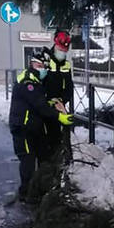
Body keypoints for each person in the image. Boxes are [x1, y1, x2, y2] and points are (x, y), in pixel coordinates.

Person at [8, 52, 74, 203]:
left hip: (33, 128)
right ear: (32, 65)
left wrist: (50, 103)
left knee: (43, 156)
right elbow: (39, 105)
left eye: (44, 66)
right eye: (39, 66)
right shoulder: (28, 83)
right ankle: (26, 193)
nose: (43, 69)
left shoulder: (36, 82)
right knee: (28, 160)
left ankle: (39, 189)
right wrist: (59, 117)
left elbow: (41, 103)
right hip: (22, 129)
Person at [43, 29, 74, 158]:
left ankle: (61, 166)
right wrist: (47, 101)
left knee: (61, 140)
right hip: (43, 106)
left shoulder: (66, 65)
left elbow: (69, 88)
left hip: (59, 106)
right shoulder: (44, 61)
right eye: (60, 50)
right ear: (55, 46)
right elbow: (38, 84)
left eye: (64, 51)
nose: (62, 53)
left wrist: (61, 100)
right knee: (44, 140)